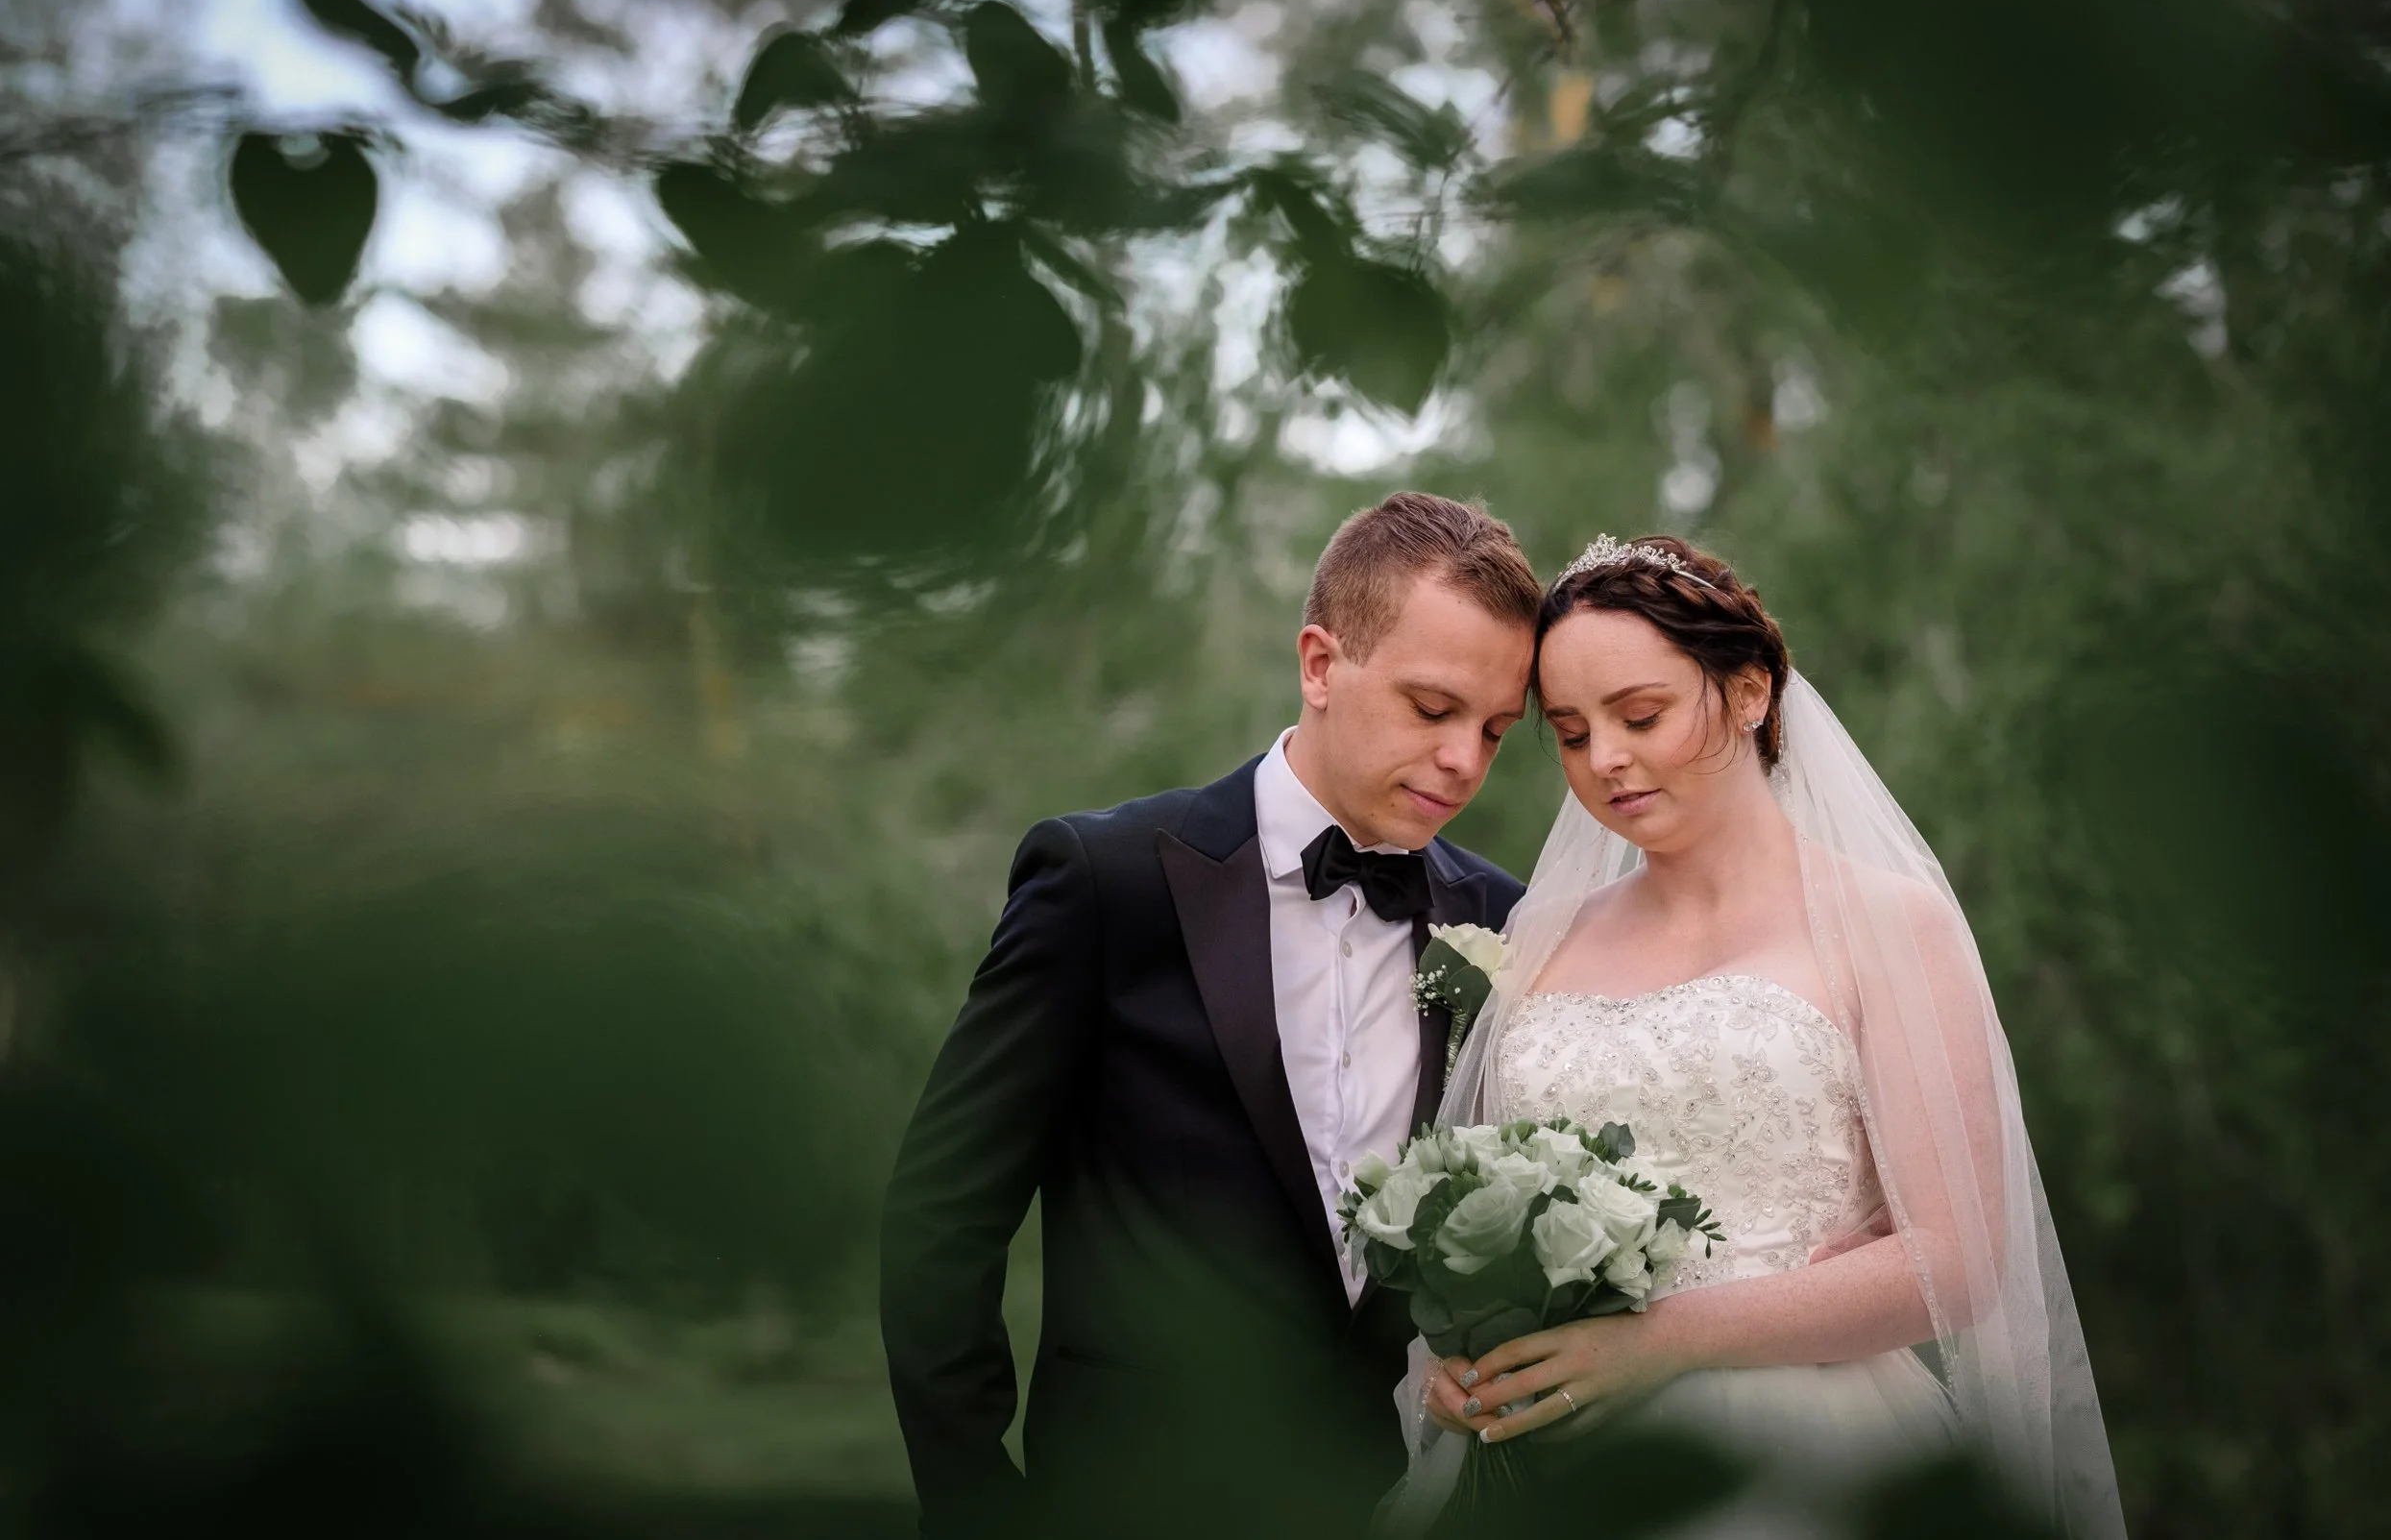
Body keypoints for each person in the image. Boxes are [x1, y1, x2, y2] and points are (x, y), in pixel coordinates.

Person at [1385, 534, 2127, 1538]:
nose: (1603, 759)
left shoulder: (1887, 924)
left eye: (1638, 714)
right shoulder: (1543, 936)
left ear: (1746, 694)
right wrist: (1462, 1352)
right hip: (1546, 1464)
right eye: (1567, 731)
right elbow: (1471, 1205)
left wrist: (1661, 1340)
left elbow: (1954, 1261)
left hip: (1805, 1451)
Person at [880, 493, 1541, 1539]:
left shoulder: (1501, 923)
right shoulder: (1105, 881)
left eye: (1496, 729)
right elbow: (939, 1217)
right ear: (1319, 664)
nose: (1465, 758)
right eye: (1432, 708)